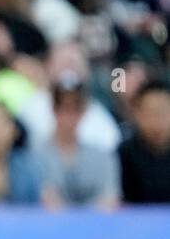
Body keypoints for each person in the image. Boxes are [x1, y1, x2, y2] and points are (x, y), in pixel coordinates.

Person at [38, 74, 121, 209]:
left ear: (83, 111)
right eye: (63, 107)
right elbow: (46, 201)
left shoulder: (101, 157)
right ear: (53, 109)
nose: (69, 115)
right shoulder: (36, 155)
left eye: (75, 108)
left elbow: (110, 200)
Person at [117, 80, 170, 203]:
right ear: (137, 114)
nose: (157, 120)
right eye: (150, 113)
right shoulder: (123, 155)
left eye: (162, 112)